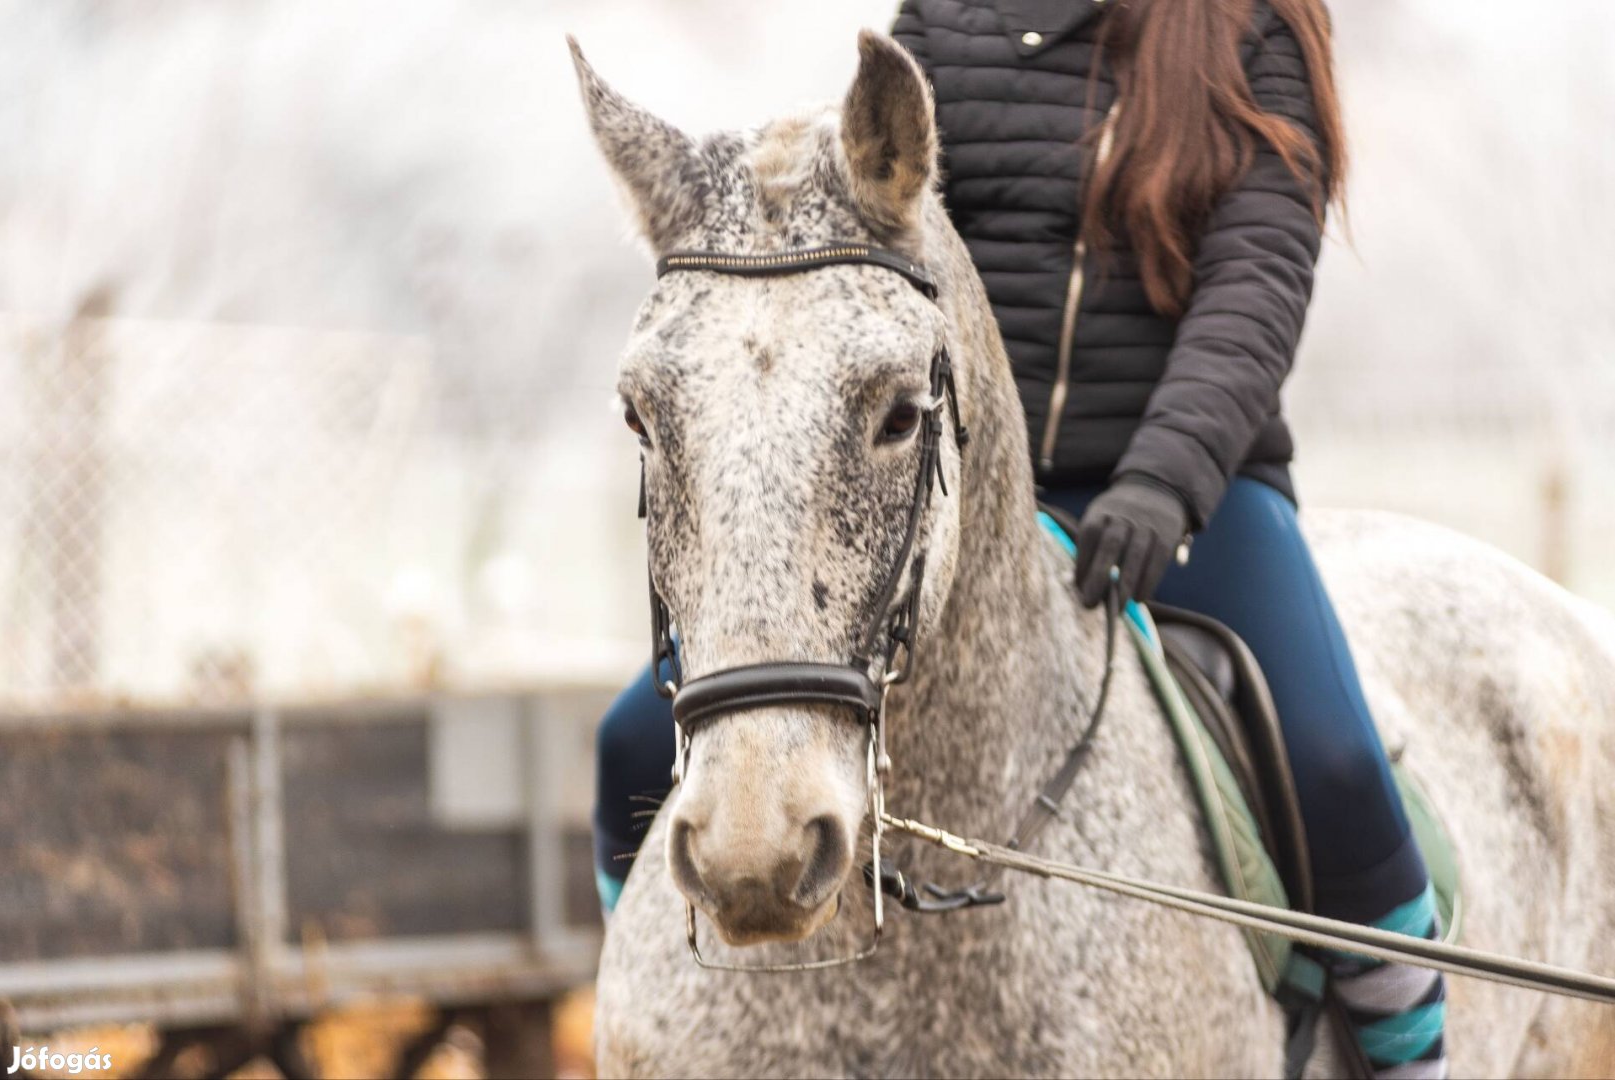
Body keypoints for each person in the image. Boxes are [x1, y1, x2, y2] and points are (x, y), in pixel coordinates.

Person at [594, 2, 1447, 1075]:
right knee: (632, 740)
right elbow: (879, 225)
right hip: (949, 486)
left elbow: (1255, 285)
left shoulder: (1251, 33)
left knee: (1335, 763)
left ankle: (1408, 1051)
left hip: (1187, 493)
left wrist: (1165, 481)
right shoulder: (946, 19)